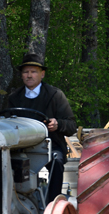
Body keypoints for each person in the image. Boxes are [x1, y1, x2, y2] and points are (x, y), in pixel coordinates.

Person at [7, 53, 77, 203]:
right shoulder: (13, 97)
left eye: (34, 72)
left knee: (56, 162)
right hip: (19, 148)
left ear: (42, 74)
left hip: (49, 145)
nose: (29, 75)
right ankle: (12, 203)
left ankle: (52, 204)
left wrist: (58, 124)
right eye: (26, 72)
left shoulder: (55, 95)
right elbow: (3, 121)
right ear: (21, 75)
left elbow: (71, 126)